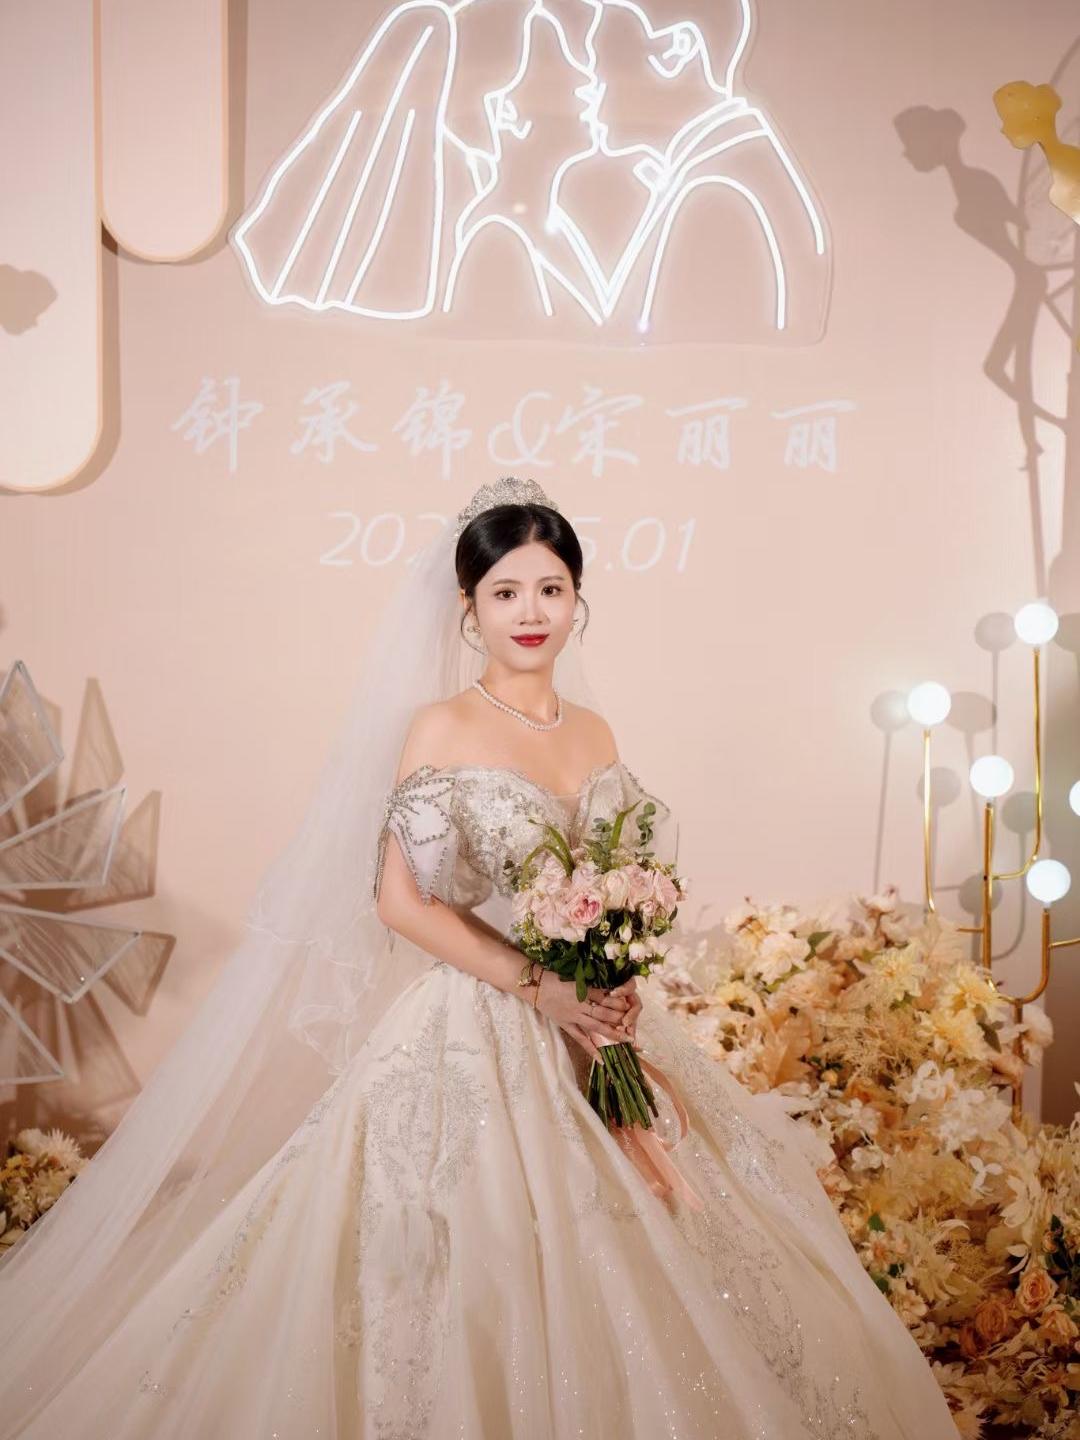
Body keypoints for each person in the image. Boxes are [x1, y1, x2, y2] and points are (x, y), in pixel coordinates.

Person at [0, 477, 959, 1438]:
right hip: (482, 1017)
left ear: (578, 599)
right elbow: (400, 900)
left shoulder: (594, 731)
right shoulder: (443, 727)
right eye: (505, 592)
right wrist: (540, 988)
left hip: (597, 1016)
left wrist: (613, 978)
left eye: (550, 589)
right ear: (470, 608)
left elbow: (616, 879)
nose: (529, 612)